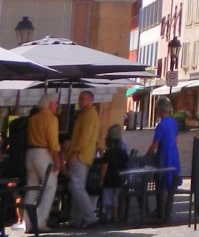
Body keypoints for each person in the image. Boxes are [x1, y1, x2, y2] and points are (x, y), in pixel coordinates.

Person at [23, 95, 62, 232]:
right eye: (56, 103)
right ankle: (40, 222)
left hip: (30, 153)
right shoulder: (51, 118)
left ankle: (27, 223)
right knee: (50, 186)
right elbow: (53, 142)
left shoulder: (33, 118)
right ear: (50, 104)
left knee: (31, 188)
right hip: (42, 153)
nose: (57, 106)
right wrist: (57, 160)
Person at [64, 89, 101, 228]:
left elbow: (84, 137)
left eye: (82, 99)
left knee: (76, 186)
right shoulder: (85, 115)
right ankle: (76, 218)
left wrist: (75, 153)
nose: (79, 101)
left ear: (90, 100)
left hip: (81, 155)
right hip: (81, 154)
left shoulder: (90, 115)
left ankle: (90, 216)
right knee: (75, 187)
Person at [147, 97, 181, 222]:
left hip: (164, 156)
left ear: (160, 110)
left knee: (163, 184)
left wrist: (147, 155)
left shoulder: (161, 125)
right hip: (173, 154)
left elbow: (155, 144)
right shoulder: (173, 122)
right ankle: (165, 210)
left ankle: (163, 211)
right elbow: (177, 139)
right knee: (170, 182)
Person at [98, 125, 129, 224]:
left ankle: (107, 214)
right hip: (120, 178)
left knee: (108, 197)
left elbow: (104, 167)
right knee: (116, 197)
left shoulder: (108, 153)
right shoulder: (123, 152)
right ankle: (115, 216)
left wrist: (101, 179)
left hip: (109, 179)